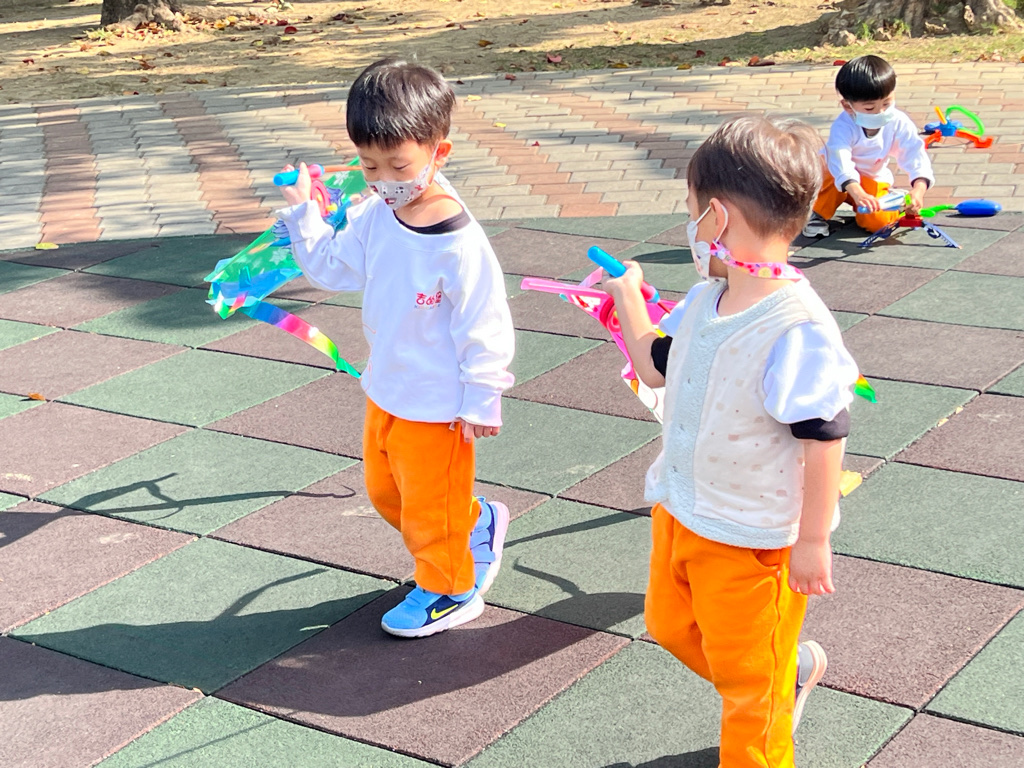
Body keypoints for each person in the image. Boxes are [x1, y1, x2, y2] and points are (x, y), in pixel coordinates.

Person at [604, 115, 860, 767]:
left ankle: (766, 702)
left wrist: (812, 541)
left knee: (748, 691)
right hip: (683, 510)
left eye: (691, 210)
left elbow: (824, 438)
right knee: (669, 626)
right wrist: (626, 298)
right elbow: (656, 366)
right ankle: (782, 670)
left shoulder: (796, 330)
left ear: (715, 218)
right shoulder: (704, 299)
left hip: (753, 541)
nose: (689, 225)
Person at [276, 58, 515, 639]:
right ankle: (473, 521)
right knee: (389, 493)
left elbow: (486, 321)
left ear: (439, 152)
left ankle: (451, 588)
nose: (383, 179)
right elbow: (333, 268)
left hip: (439, 404)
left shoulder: (458, 243)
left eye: (398, 165)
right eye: (369, 165)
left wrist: (482, 395)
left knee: (427, 509)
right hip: (387, 386)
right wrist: (306, 214)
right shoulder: (376, 212)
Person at [803, 54, 934, 238]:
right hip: (837, 179)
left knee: (879, 224)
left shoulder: (899, 121)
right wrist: (856, 191)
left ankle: (895, 204)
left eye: (887, 103)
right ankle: (816, 213)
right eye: (870, 108)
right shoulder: (843, 126)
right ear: (848, 106)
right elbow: (840, 161)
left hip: (871, 179)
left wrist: (918, 189)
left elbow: (914, 153)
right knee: (828, 172)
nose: (881, 111)